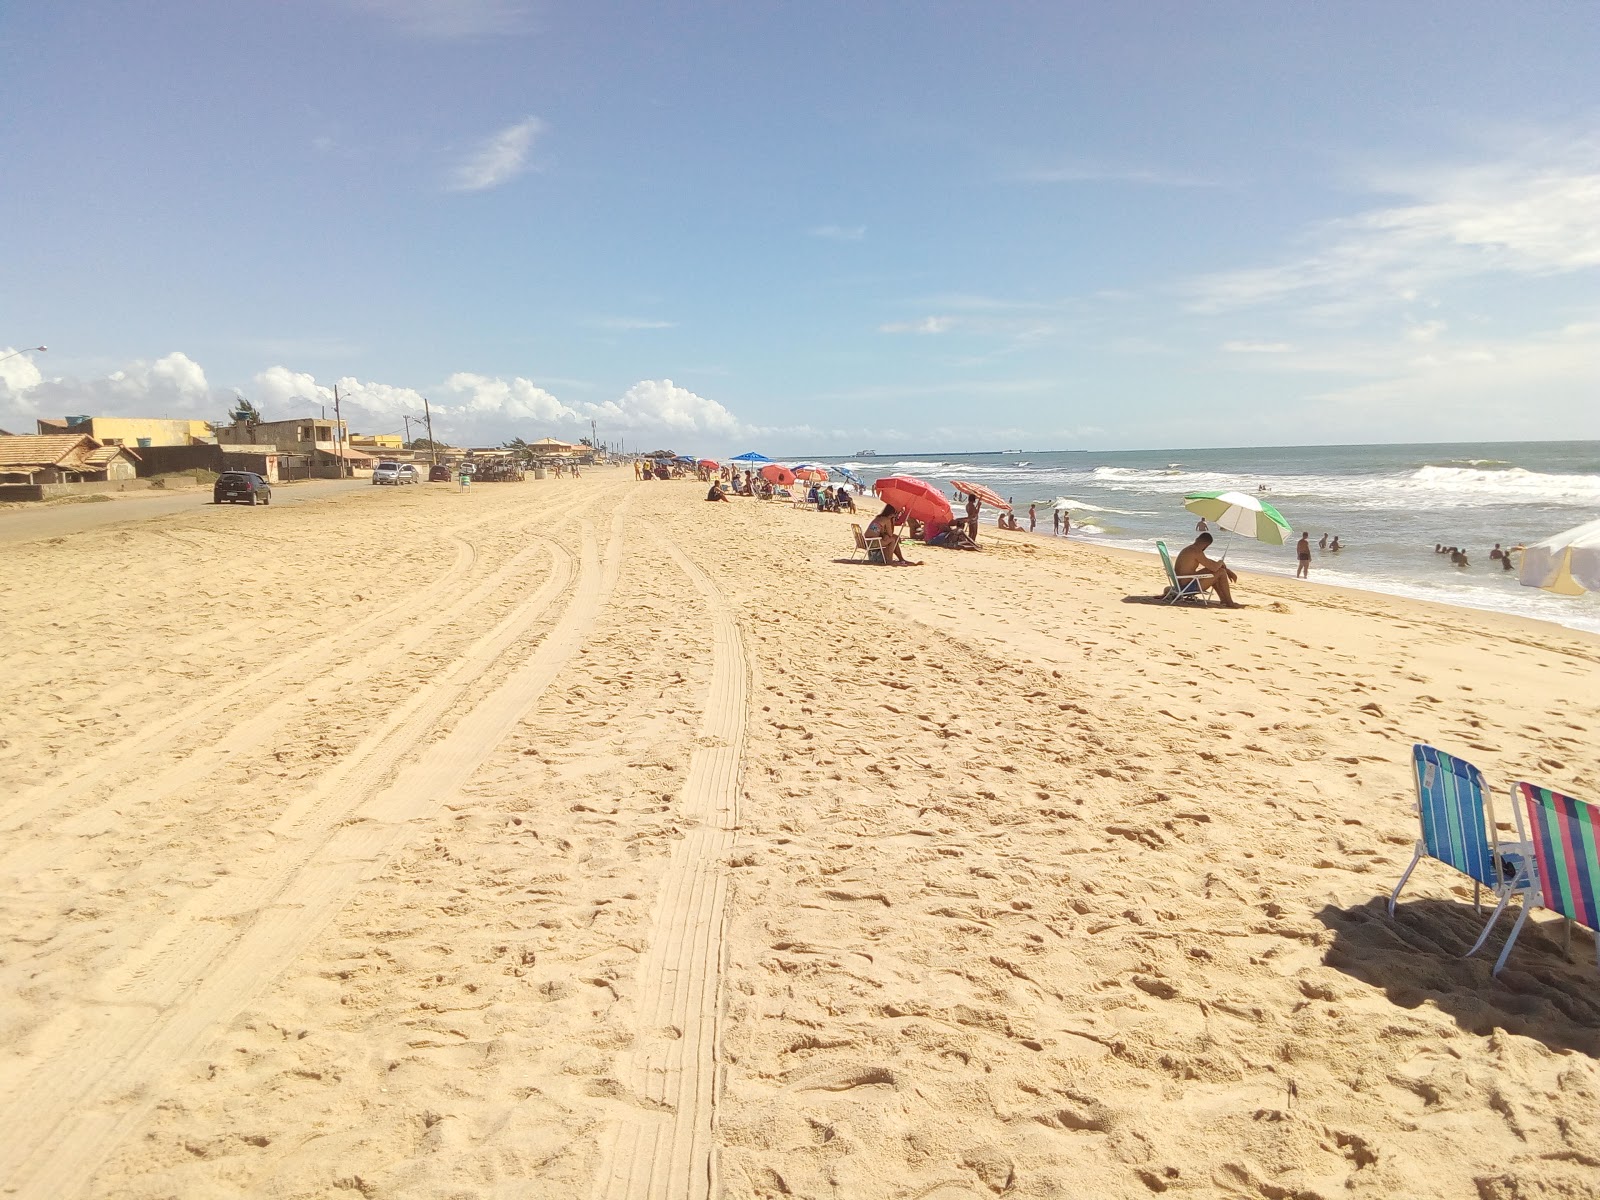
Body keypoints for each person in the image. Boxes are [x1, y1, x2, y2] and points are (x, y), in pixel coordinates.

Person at [1174, 532, 1241, 607]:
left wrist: (1227, 570)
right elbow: (1214, 567)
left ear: (1197, 539)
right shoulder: (1197, 552)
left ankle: (1223, 599)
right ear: (1206, 545)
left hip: (1180, 584)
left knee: (1212, 571)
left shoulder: (1189, 549)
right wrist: (1221, 562)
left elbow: (1209, 563)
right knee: (1221, 572)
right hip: (1187, 587)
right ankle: (1229, 602)